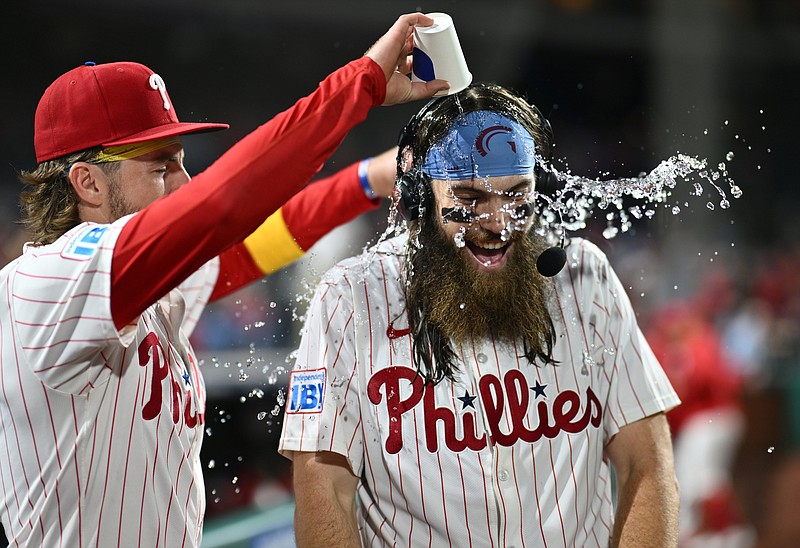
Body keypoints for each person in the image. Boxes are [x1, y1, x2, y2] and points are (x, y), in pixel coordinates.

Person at [0, 13, 448, 547]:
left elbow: (251, 247)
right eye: (162, 167)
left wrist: (370, 179)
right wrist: (362, 83)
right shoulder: (50, 282)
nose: (184, 183)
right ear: (88, 183)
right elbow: (223, 206)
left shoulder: (139, 287)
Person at [280, 83, 681, 547]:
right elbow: (323, 487)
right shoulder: (351, 298)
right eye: (470, 198)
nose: (497, 223)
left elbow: (646, 465)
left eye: (516, 195)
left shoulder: (584, 279)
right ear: (418, 197)